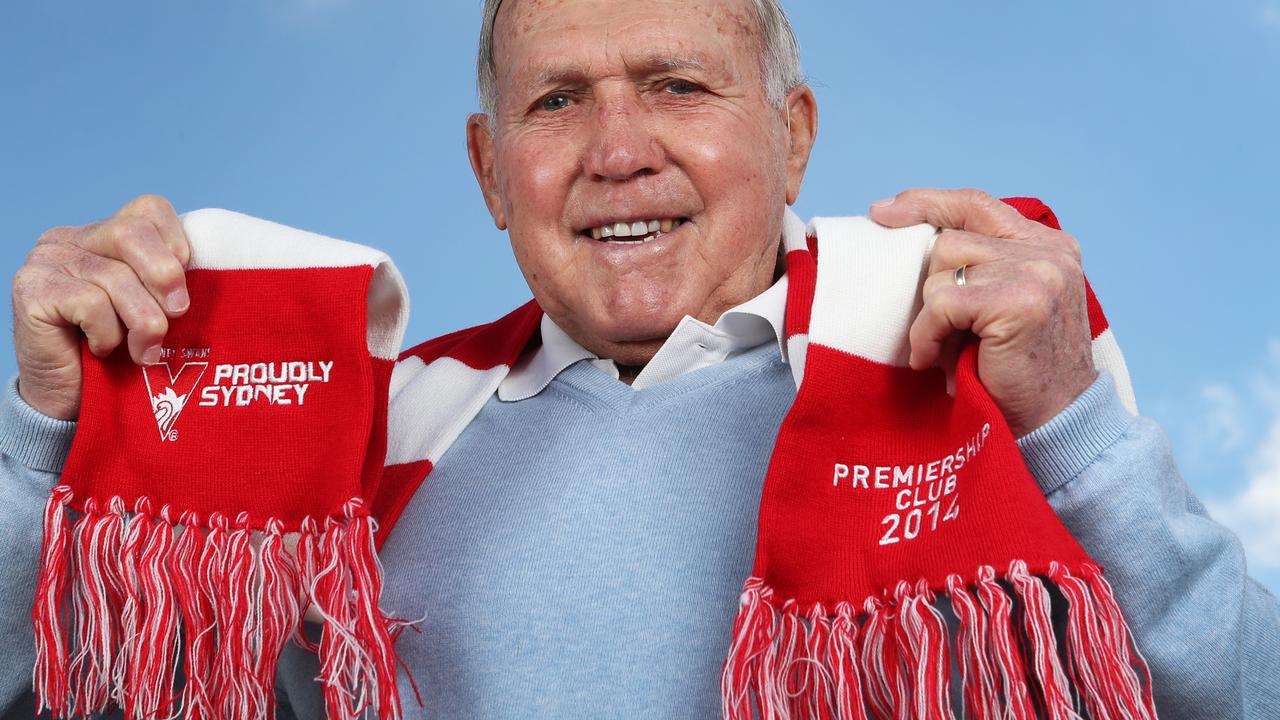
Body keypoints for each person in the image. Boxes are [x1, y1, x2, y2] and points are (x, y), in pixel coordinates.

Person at [3, 0, 1278, 717]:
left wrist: (1069, 425)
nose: (618, 149)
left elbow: (1235, 696)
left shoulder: (983, 365)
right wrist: (42, 434)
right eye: (556, 101)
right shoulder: (350, 435)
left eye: (675, 86)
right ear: (487, 169)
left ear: (793, 135)